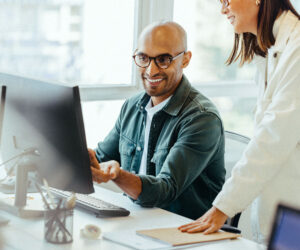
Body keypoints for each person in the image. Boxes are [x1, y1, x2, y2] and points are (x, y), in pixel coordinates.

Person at [179, 0, 300, 243]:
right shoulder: (273, 49)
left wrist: (223, 207)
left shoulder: (296, 47)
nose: (223, 9)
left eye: (226, 0)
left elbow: (273, 137)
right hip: (282, 212)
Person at [88, 21, 225, 220]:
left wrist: (118, 175)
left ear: (185, 59)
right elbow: (100, 158)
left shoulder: (202, 118)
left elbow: (165, 190)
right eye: (143, 58)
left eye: (163, 59)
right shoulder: (132, 106)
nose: (151, 71)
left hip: (182, 232)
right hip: (136, 222)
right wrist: (78, 156)